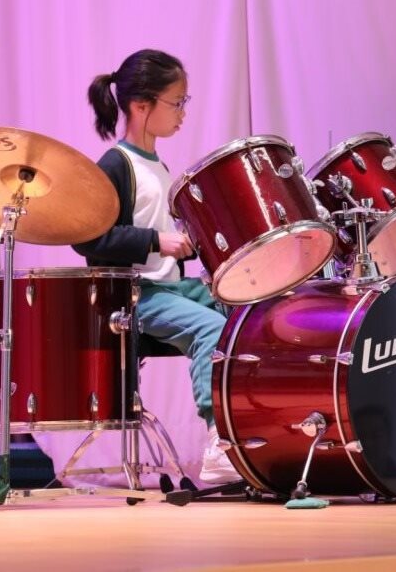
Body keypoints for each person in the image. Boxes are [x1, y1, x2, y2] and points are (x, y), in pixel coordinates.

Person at [73, 49, 241, 485]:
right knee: (211, 330)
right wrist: (156, 241)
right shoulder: (117, 165)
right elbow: (87, 238)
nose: (183, 113)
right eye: (177, 102)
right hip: (136, 297)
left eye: (185, 102)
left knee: (246, 315)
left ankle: (253, 432)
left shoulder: (159, 166)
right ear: (141, 105)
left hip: (168, 288)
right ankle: (219, 441)